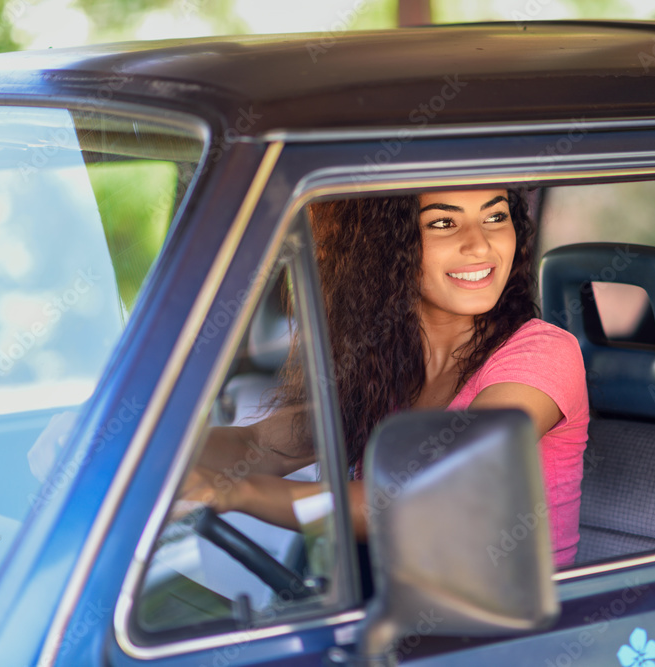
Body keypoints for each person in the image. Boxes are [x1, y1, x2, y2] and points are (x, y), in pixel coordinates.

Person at [182, 188, 589, 567]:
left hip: (515, 634)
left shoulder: (542, 355)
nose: (480, 244)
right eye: (443, 223)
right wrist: (159, 464)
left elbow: (424, 499)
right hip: (395, 615)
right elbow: (259, 445)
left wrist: (233, 492)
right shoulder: (384, 365)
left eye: (496, 217)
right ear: (388, 245)